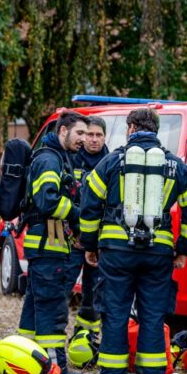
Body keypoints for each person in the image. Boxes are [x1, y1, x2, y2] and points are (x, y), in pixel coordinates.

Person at [80, 107, 187, 374]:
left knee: (115, 315)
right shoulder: (175, 165)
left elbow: (90, 204)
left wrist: (90, 245)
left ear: (131, 128)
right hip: (158, 254)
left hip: (116, 252)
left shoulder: (111, 162)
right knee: (152, 317)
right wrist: (184, 248)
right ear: (156, 130)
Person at [17, 110, 89, 374]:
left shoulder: (58, 157)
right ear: (63, 131)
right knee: (53, 307)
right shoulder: (49, 159)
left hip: (48, 246)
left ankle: (24, 360)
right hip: (49, 246)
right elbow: (47, 202)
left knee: (35, 307)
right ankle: (54, 368)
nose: (83, 139)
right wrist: (77, 213)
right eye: (79, 133)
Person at [64, 116, 109, 335]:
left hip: (98, 244)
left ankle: (84, 341)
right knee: (63, 291)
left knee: (93, 295)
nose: (93, 139)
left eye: (98, 135)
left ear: (105, 137)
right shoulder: (70, 160)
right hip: (72, 240)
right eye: (89, 134)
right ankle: (53, 339)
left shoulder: (110, 163)